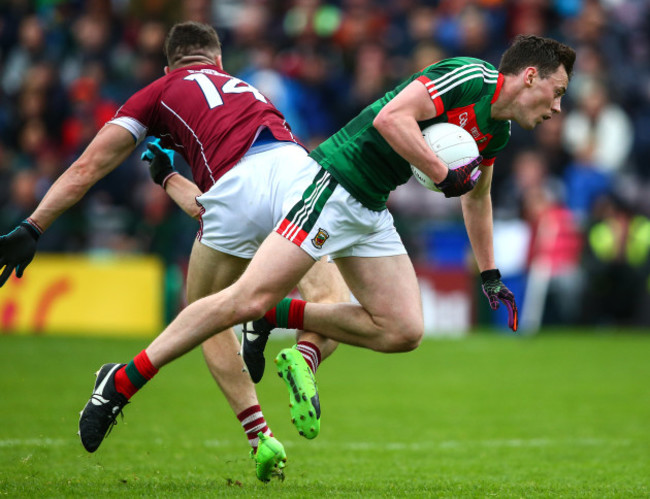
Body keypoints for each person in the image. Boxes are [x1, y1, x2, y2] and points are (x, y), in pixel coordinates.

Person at [9, 32, 576, 464]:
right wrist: (438, 169)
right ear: (530, 76)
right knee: (240, 298)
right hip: (334, 183)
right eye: (556, 93)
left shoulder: (495, 131)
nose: (556, 108)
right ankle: (122, 381)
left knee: (404, 330)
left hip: (372, 205)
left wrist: (490, 274)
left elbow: (477, 197)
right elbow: (390, 118)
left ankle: (274, 318)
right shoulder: (469, 78)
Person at [0, 21, 350, 482]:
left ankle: (258, 435)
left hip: (235, 193)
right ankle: (300, 351)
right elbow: (241, 186)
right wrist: (170, 178)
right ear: (219, 62)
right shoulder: (251, 90)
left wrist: (34, 224)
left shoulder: (158, 92)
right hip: (296, 170)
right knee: (333, 301)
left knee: (207, 316)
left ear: (170, 66)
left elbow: (89, 167)